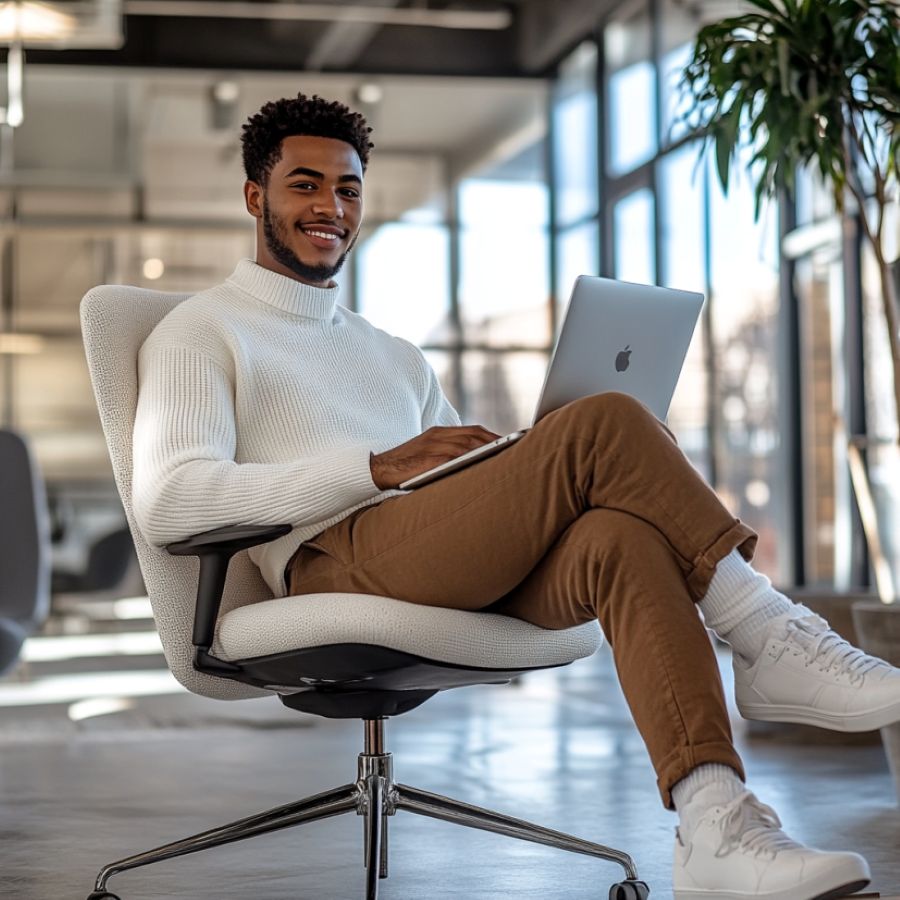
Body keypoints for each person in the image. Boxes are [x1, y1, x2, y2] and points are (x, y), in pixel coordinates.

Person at [132, 93, 900, 900]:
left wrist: (507, 460)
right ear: (256, 196)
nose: (331, 207)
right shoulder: (201, 331)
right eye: (305, 184)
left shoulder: (392, 355)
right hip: (334, 562)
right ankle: (765, 633)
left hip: (424, 549)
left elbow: (445, 485)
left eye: (348, 188)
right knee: (604, 421)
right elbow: (171, 501)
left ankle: (716, 824)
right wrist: (374, 468)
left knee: (618, 538)